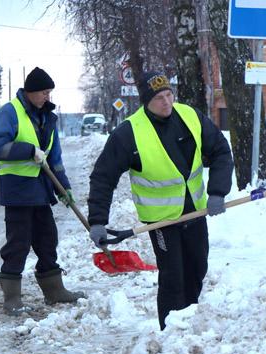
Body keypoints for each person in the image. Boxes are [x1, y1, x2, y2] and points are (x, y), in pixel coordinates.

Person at [87, 71, 234, 330]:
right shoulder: (129, 133)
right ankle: (169, 330)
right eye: (158, 98)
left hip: (195, 212)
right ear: (146, 101)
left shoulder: (190, 117)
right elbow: (103, 177)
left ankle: (190, 322)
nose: (166, 102)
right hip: (161, 221)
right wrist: (98, 220)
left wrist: (218, 191)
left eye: (169, 95)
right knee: (173, 276)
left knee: (197, 268)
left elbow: (221, 151)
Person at [0, 67, 85, 315]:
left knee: (47, 239)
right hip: (18, 191)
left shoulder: (48, 118)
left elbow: (55, 158)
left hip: (41, 191)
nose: (47, 97)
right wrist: (28, 150)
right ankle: (12, 298)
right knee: (18, 244)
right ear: (30, 92)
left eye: (49, 92)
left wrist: (64, 187)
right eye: (43, 92)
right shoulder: (11, 112)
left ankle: (54, 291)